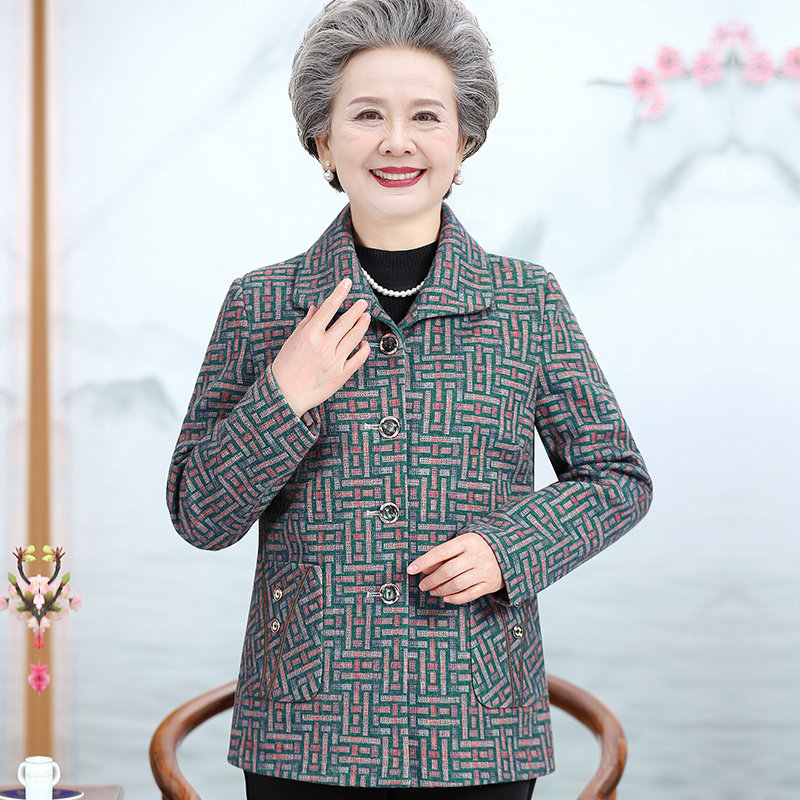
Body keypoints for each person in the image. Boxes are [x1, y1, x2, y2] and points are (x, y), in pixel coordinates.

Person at [165, 0, 653, 798]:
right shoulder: (262, 304)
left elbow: (617, 477)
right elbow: (200, 515)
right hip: (304, 730)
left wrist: (509, 549)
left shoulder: (526, 302)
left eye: (426, 115)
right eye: (367, 114)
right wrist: (285, 395)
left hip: (479, 727)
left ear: (464, 141)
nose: (397, 140)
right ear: (323, 140)